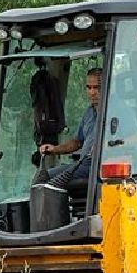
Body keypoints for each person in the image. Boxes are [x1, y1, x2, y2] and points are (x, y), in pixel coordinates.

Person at [39, 67, 101, 196]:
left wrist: (105, 147)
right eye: (89, 87)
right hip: (84, 164)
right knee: (43, 176)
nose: (92, 92)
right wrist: (54, 149)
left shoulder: (117, 108)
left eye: (96, 87)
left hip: (99, 167)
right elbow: (77, 142)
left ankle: (52, 215)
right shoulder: (89, 112)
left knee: (47, 178)